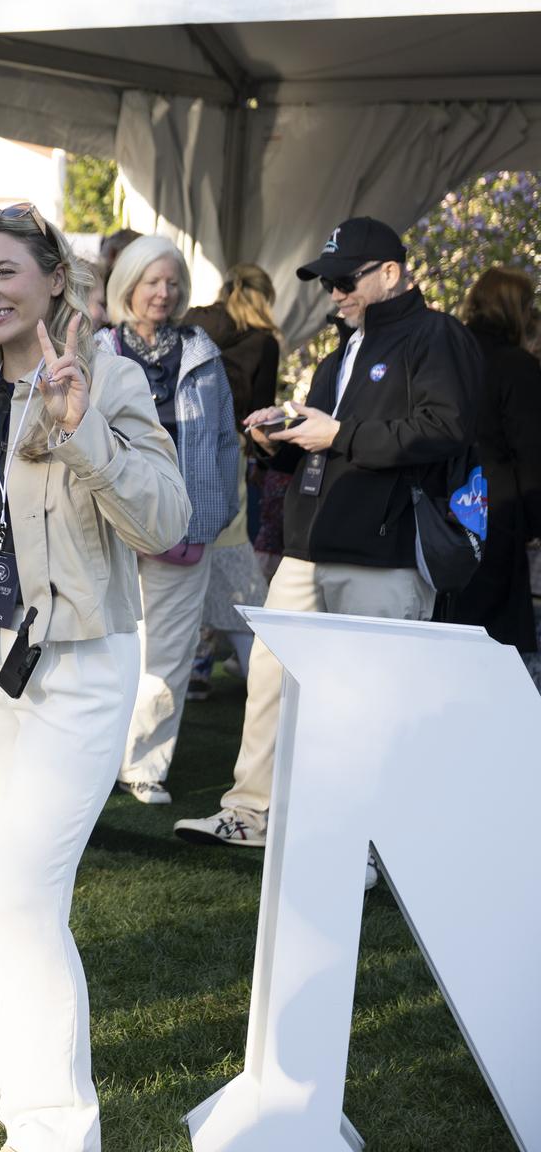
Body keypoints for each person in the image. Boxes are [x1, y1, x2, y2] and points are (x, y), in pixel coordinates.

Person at [0, 202, 189, 1149]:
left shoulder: (106, 380)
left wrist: (80, 430)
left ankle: (56, 1124)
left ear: (54, 280)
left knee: (27, 890)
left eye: (4, 272)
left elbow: (164, 521)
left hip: (77, 666)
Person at [176, 217, 482, 851]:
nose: (334, 293)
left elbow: (445, 429)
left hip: (385, 552)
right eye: (328, 282)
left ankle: (366, 843)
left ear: (391, 274)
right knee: (268, 681)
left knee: (371, 705)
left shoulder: (436, 336)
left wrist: (337, 435)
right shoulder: (345, 348)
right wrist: (278, 441)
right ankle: (251, 813)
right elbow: (322, 443)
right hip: (310, 547)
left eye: (346, 280)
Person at [92, 235, 238, 805]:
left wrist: (214, 510)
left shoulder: (202, 352)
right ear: (128, 284)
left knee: (169, 652)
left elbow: (225, 440)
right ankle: (97, 758)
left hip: (185, 521)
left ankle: (144, 768)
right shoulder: (99, 348)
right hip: (109, 517)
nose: (163, 291)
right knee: (105, 642)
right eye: (152, 280)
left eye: (172, 281)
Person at [184, 264, 282, 697]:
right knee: (235, 561)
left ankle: (196, 667)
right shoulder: (264, 343)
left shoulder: (197, 327)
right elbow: (259, 414)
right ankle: (265, 684)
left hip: (180, 450)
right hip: (226, 454)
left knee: (189, 560)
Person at [449, 267, 541, 661]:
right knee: (493, 636)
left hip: (444, 498)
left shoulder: (450, 353)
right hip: (496, 508)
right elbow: (530, 449)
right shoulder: (515, 364)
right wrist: (535, 521)